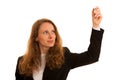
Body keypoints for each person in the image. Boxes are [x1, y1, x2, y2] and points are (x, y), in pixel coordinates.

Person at [15, 7, 104, 80]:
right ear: (36, 37)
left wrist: (96, 26)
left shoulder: (63, 56)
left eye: (53, 31)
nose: (51, 36)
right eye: (45, 32)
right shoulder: (22, 62)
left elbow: (92, 56)